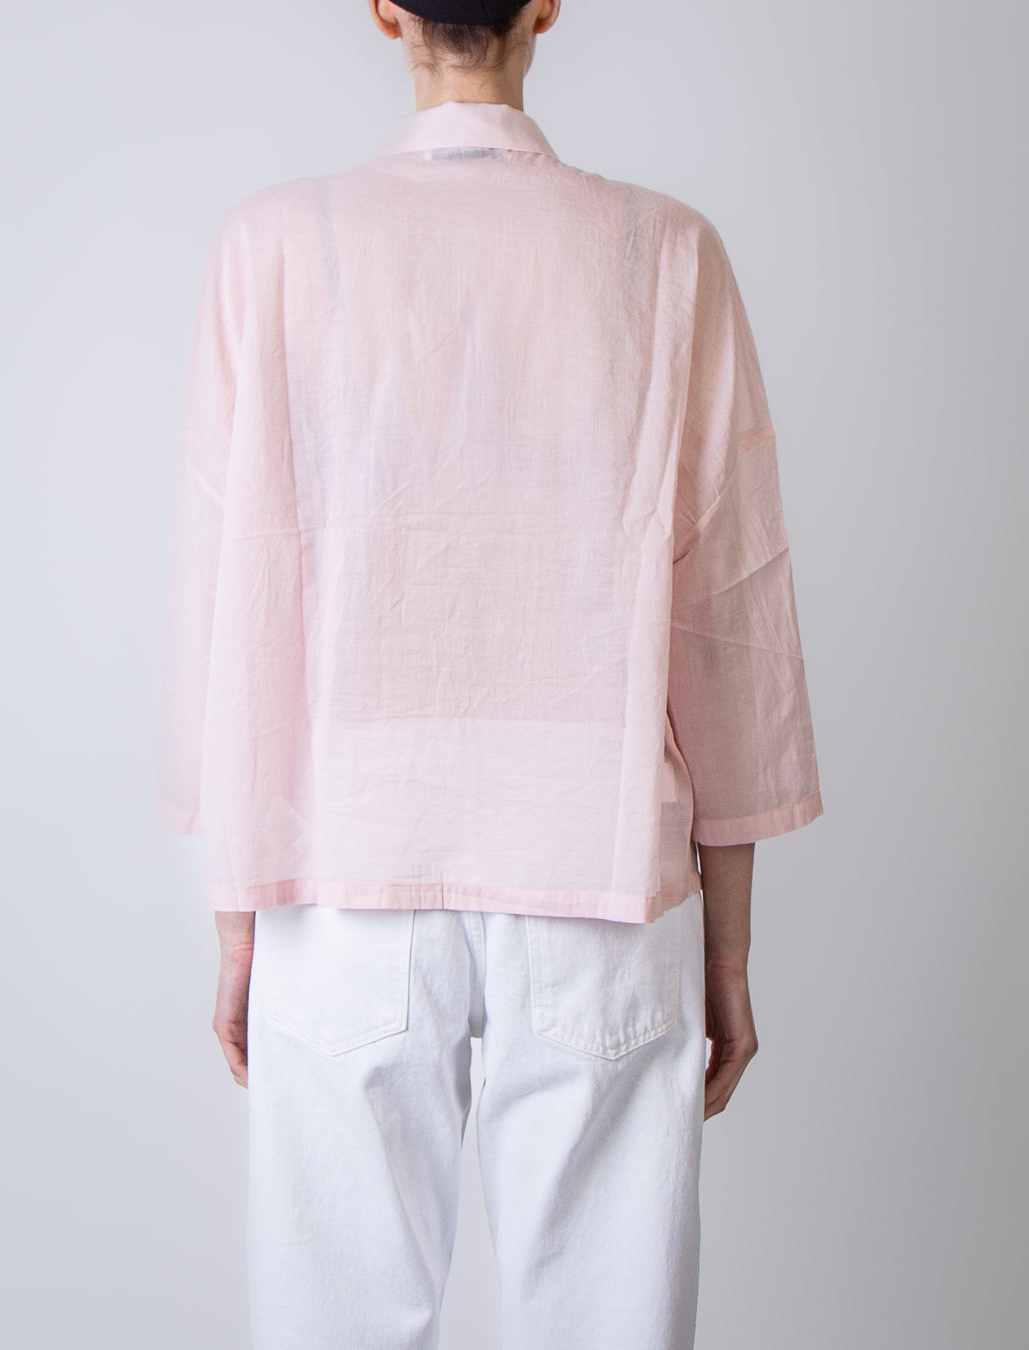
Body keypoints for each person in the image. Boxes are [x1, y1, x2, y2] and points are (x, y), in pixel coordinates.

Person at [154, 2, 823, 1346]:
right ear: (544, 8)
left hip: (340, 861)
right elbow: (727, 612)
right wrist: (730, 944)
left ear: (385, 10)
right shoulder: (664, 252)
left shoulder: (272, 247)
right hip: (600, 860)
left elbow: (234, 602)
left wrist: (237, 919)